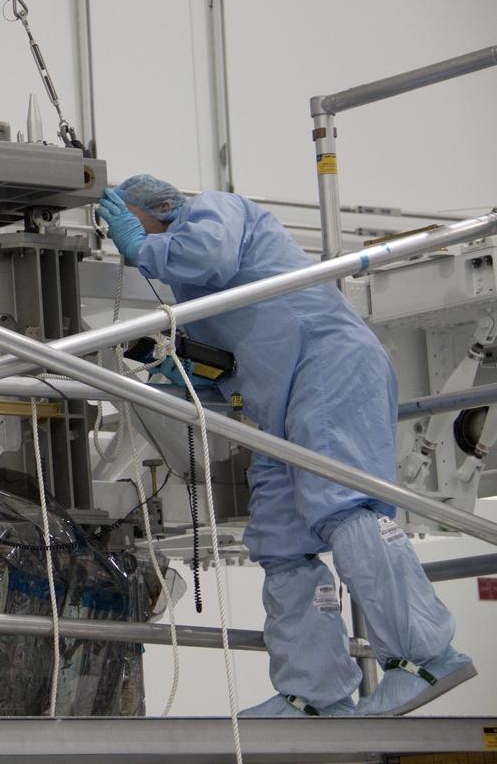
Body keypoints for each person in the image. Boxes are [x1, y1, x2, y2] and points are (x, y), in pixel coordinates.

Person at [96, 175, 476, 717]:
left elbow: (205, 255)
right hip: (272, 403)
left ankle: (426, 658)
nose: (123, 241)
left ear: (155, 209)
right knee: (278, 539)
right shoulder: (192, 288)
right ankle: (315, 692)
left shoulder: (215, 211)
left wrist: (140, 245)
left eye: (125, 223)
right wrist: (184, 373)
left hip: (327, 368)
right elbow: (241, 349)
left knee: (342, 507)